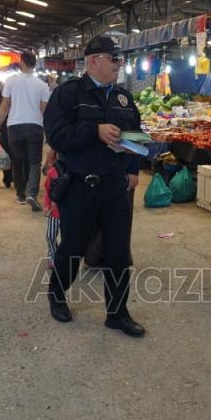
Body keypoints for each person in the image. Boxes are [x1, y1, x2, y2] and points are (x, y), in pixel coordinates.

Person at [43, 35, 145, 337]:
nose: (118, 65)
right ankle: (57, 296)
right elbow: (57, 136)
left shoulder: (124, 97)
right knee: (73, 249)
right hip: (78, 186)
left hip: (115, 187)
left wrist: (134, 166)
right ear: (92, 61)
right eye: (113, 59)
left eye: (120, 60)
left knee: (117, 252)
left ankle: (117, 313)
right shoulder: (69, 94)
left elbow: (137, 136)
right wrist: (94, 131)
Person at [0, 52, 50, 210]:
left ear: (22, 63)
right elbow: (43, 110)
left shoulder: (11, 81)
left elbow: (5, 106)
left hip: (14, 126)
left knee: (17, 161)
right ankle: (32, 192)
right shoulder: (42, 85)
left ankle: (20, 194)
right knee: (34, 162)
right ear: (34, 64)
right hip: (35, 126)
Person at [42, 149, 60, 267]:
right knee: (50, 236)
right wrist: (47, 205)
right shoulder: (52, 173)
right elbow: (47, 191)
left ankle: (62, 257)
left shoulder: (73, 172)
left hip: (67, 212)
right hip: (53, 211)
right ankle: (53, 255)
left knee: (68, 238)